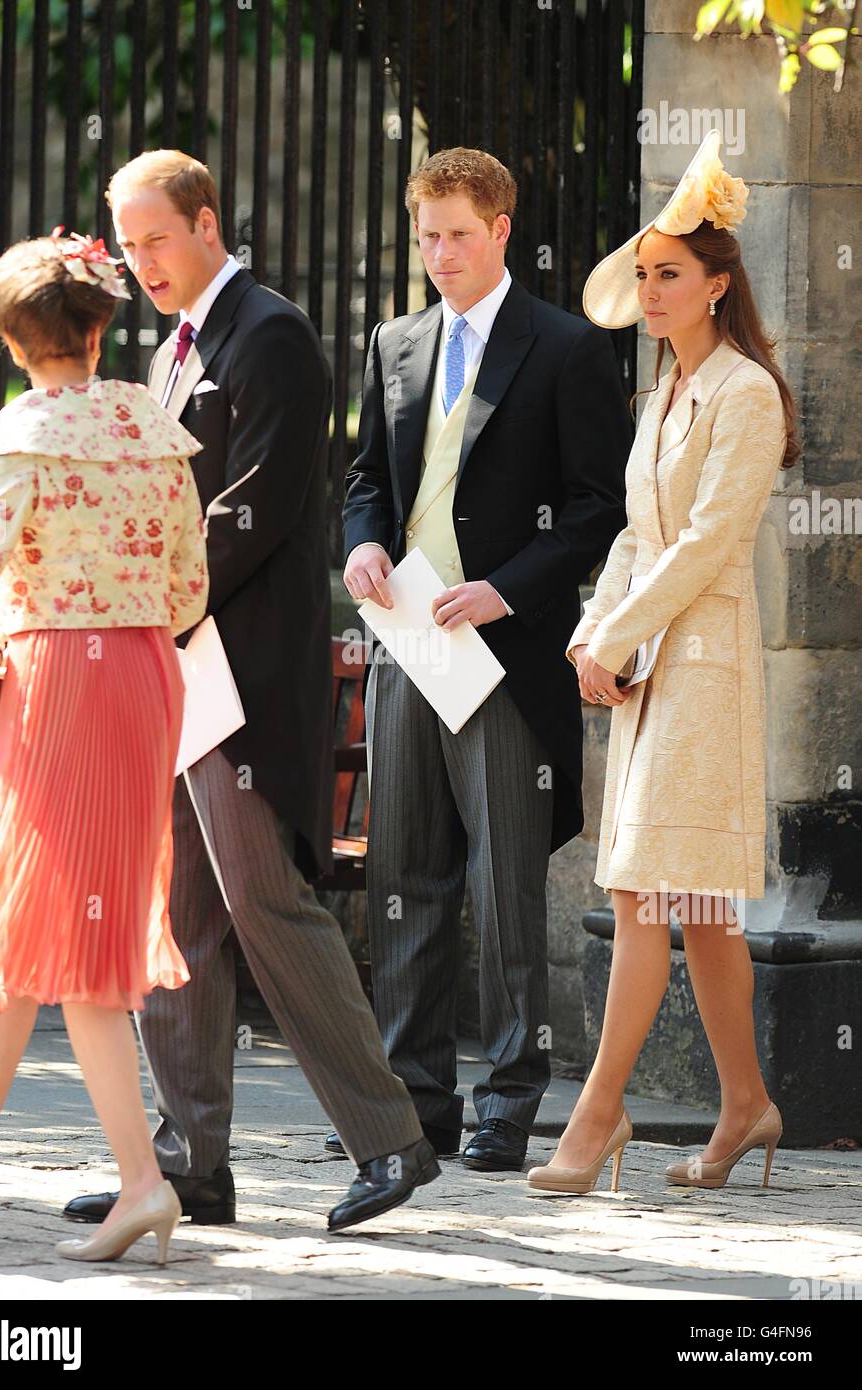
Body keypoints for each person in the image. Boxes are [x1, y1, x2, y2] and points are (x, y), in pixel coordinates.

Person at [63, 150, 438, 1236]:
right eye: (127, 248)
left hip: (241, 673)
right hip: (182, 669)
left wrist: (142, 593)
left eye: (158, 240)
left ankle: (392, 1137)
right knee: (176, 915)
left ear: (208, 221)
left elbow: (253, 509)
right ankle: (189, 1163)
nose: (142, 264)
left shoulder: (269, 332)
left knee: (266, 903)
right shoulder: (176, 343)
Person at [340, 147, 631, 1173]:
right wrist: (362, 542)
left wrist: (507, 587)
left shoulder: (564, 346)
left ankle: (510, 1098)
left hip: (502, 653)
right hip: (405, 647)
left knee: (505, 883)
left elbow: (600, 505)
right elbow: (367, 478)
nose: (439, 255)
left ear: (501, 229)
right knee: (403, 877)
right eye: (426, 236)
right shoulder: (395, 340)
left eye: (457, 234)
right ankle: (413, 1100)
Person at [0, 229, 210, 1264]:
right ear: (101, 324)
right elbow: (188, 587)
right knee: (40, 915)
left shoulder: (26, 428)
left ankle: (143, 1182)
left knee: (79, 939)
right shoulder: (148, 420)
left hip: (62, 680)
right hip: (141, 675)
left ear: (12, 339)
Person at [527, 130, 797, 1197]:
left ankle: (597, 1113)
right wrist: (596, 624)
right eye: (640, 274)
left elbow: (705, 543)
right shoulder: (658, 397)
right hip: (653, 663)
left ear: (715, 286)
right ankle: (745, 1104)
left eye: (666, 274)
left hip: (706, 668)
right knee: (697, 907)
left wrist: (614, 634)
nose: (647, 290)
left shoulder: (743, 393)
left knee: (649, 889)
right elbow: (638, 535)